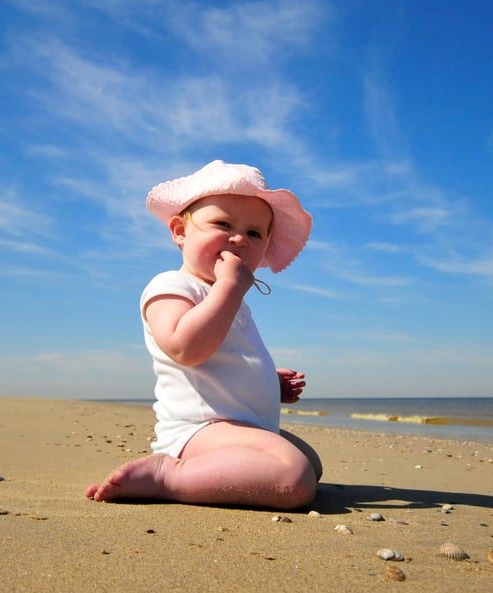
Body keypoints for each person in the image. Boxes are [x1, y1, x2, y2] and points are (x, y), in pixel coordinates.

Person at [85, 160, 322, 509]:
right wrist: (229, 287)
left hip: (235, 429)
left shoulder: (231, 300)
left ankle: (212, 472)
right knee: (294, 477)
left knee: (311, 463)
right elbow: (185, 348)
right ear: (180, 231)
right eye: (222, 224)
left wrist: (268, 383)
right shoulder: (172, 285)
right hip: (199, 430)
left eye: (255, 233)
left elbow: (222, 361)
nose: (239, 238)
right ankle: (168, 475)